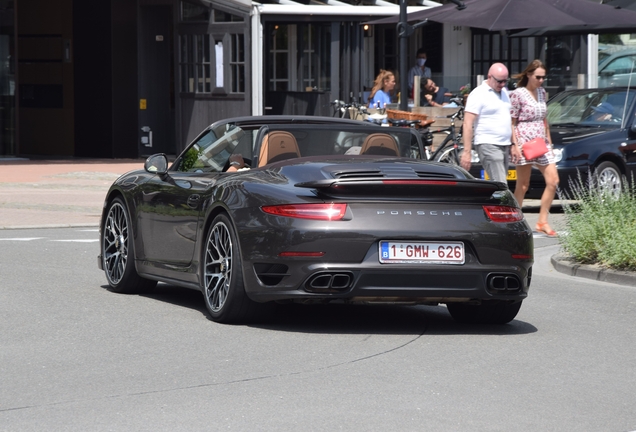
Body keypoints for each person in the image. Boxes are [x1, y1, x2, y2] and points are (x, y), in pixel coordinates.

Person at [510, 59, 559, 237]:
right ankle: (513, 220)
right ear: (529, 75)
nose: (541, 80)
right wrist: (515, 144)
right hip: (524, 141)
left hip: (541, 141)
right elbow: (512, 121)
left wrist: (550, 143)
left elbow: (545, 120)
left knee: (553, 181)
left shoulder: (542, 92)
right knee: (523, 185)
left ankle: (542, 221)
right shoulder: (518, 94)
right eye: (538, 77)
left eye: (543, 77)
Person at [461, 63, 521, 184]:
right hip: (488, 144)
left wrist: (514, 144)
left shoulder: (504, 92)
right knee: (501, 185)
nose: (503, 84)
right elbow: (467, 123)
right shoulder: (478, 94)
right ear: (489, 77)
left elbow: (509, 120)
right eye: (499, 81)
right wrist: (467, 152)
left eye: (505, 81)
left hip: (504, 145)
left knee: (498, 185)